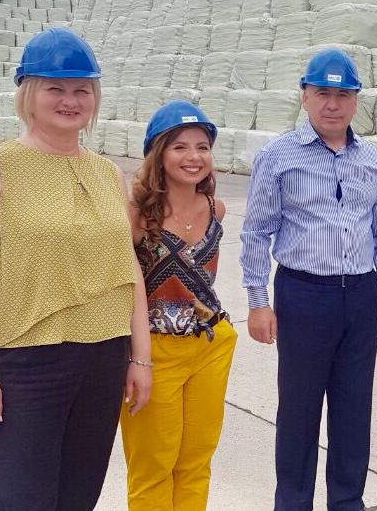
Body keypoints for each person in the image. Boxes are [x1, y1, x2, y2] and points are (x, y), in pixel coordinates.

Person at [0, 27, 152, 510]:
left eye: (82, 89)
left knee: (79, 497)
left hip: (104, 359)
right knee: (23, 500)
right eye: (55, 88)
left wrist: (140, 358)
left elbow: (128, 270)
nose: (70, 100)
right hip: (26, 365)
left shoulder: (107, 173)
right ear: (28, 94)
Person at [240, 47, 377, 511]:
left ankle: (347, 501)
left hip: (360, 296)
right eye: (322, 94)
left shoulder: (369, 158)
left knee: (354, 409)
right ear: (304, 96)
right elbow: (256, 231)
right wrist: (258, 301)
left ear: (356, 101)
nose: (333, 104)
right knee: (299, 410)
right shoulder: (278, 156)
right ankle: (293, 504)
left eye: (343, 95)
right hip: (304, 295)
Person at [120, 100, 237, 510]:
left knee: (196, 460)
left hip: (210, 345)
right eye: (180, 147)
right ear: (159, 153)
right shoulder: (135, 215)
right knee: (152, 465)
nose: (194, 157)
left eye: (202, 147)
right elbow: (123, 287)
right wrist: (136, 358)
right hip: (153, 352)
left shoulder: (216, 209)